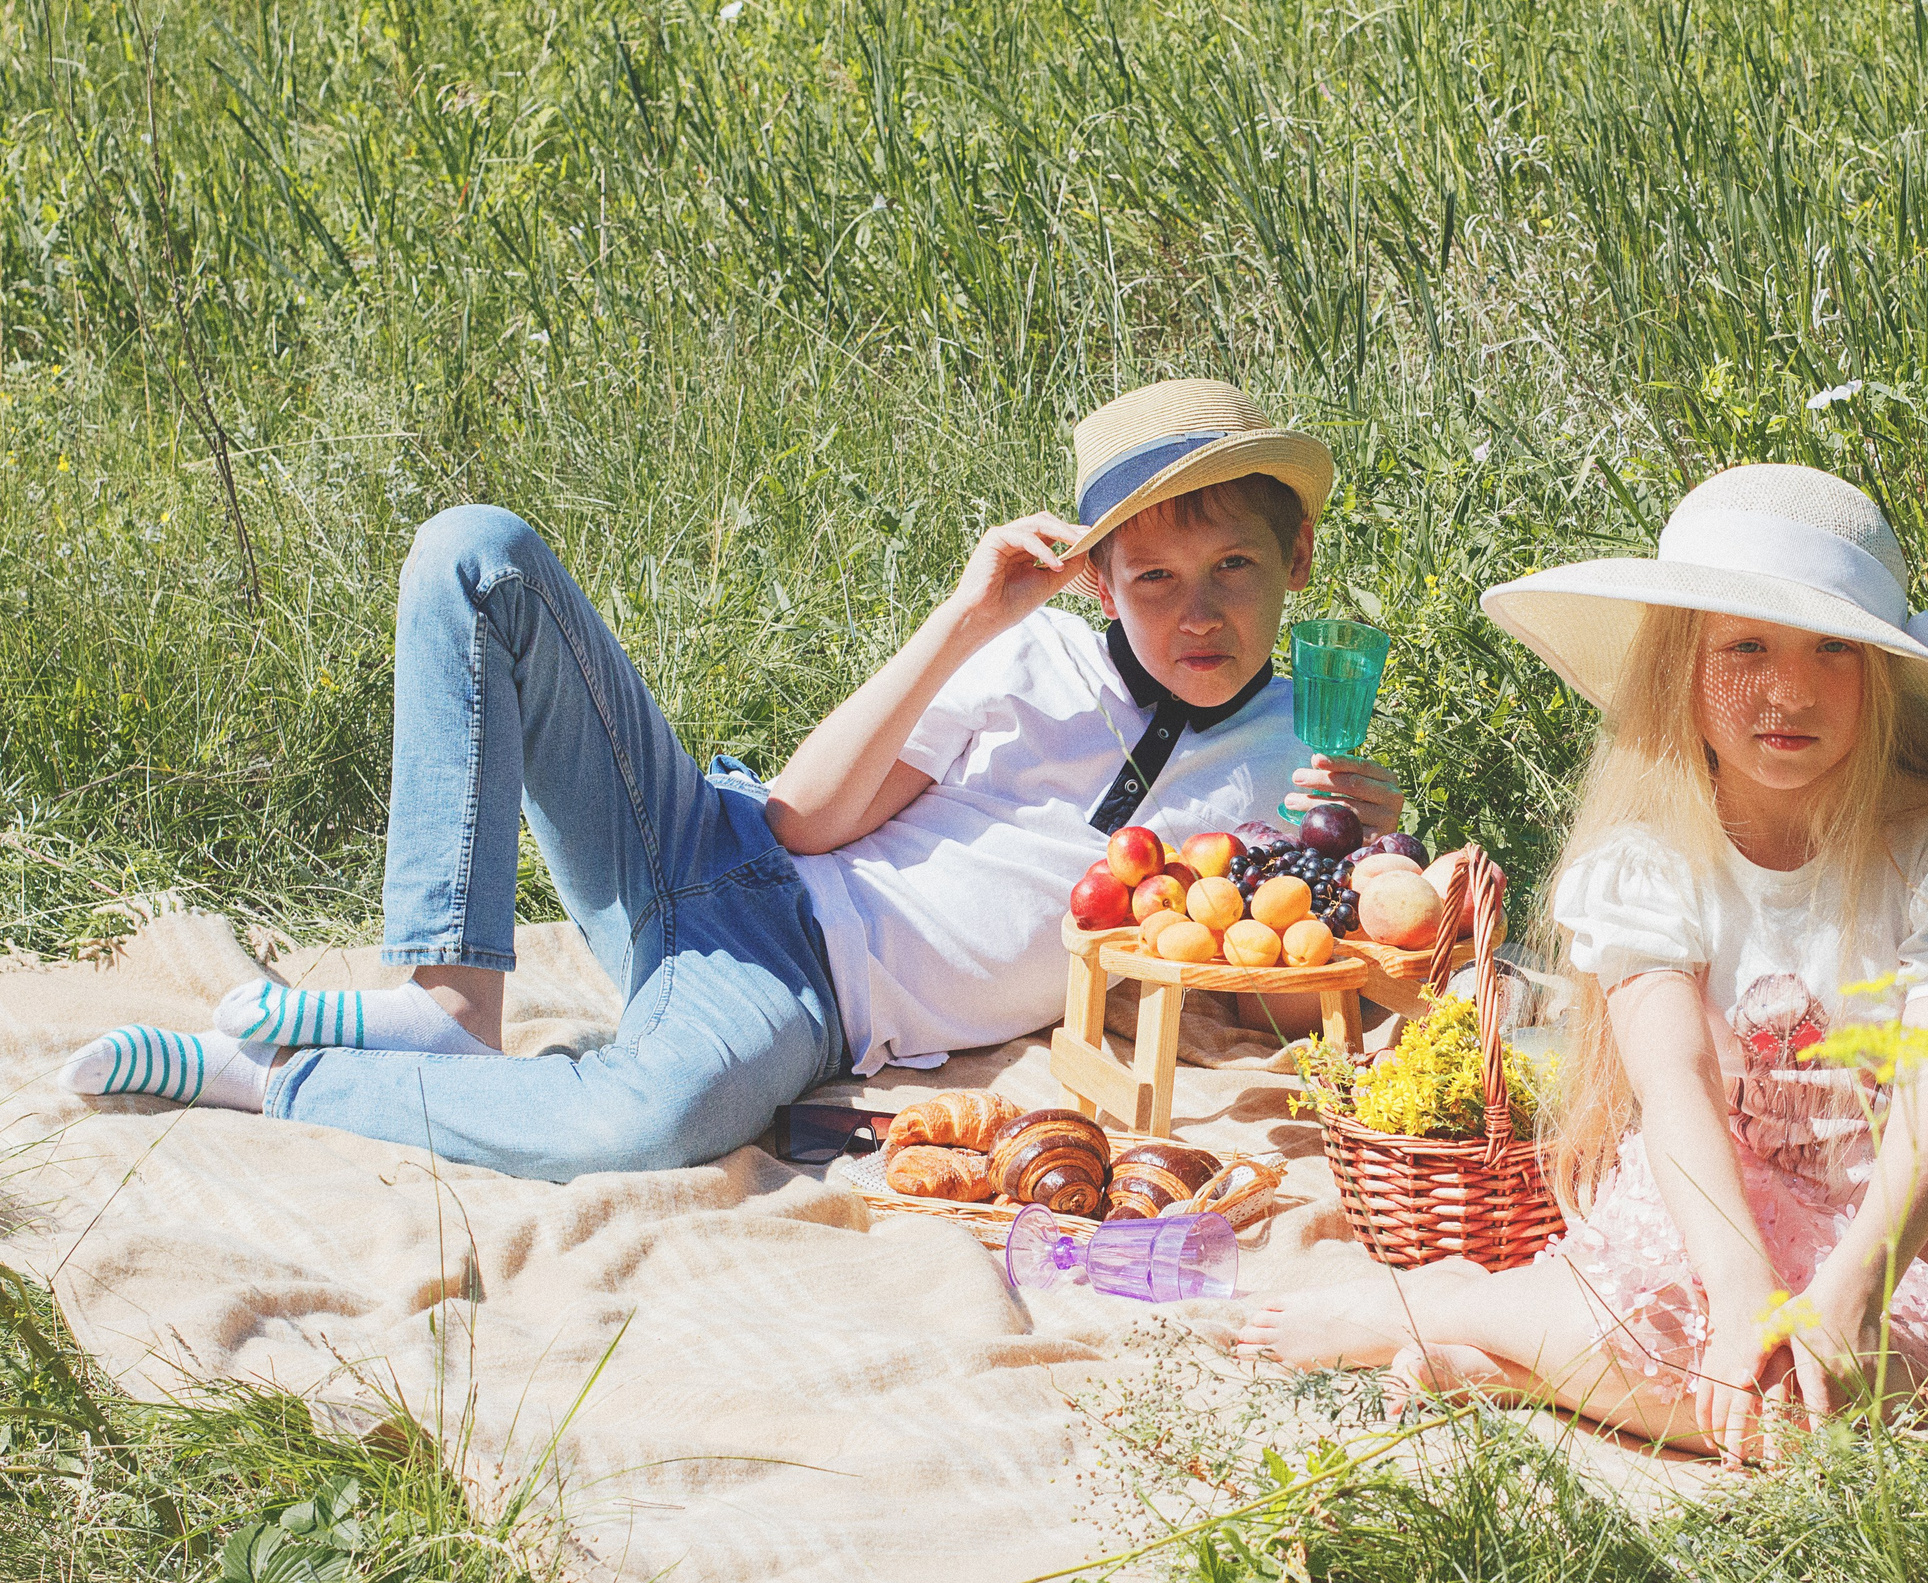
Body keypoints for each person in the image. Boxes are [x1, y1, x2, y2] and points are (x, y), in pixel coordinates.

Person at [58, 379, 1403, 1178]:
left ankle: (265, 1080)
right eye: (1152, 577)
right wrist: (966, 619)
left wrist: (1360, 872)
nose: (1196, 611)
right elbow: (807, 818)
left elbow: (1278, 990)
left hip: (794, 988)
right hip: (707, 846)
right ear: (1097, 580)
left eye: (1233, 566)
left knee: (651, 1117)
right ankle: (446, 1003)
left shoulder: (1297, 760)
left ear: (1294, 560)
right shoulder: (1026, 655)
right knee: (476, 551)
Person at [1234, 464, 1928, 1462]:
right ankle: (1455, 1303)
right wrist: (1741, 1287)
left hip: (1890, 1241)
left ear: (1880, 673)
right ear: (1680, 667)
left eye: (1832, 649)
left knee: (1850, 1414)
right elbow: (1679, 1081)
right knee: (1729, 1378)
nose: (1788, 690)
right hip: (1711, 1209)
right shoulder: (1652, 860)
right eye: (1745, 647)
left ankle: (1506, 1349)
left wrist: (1852, 1292)